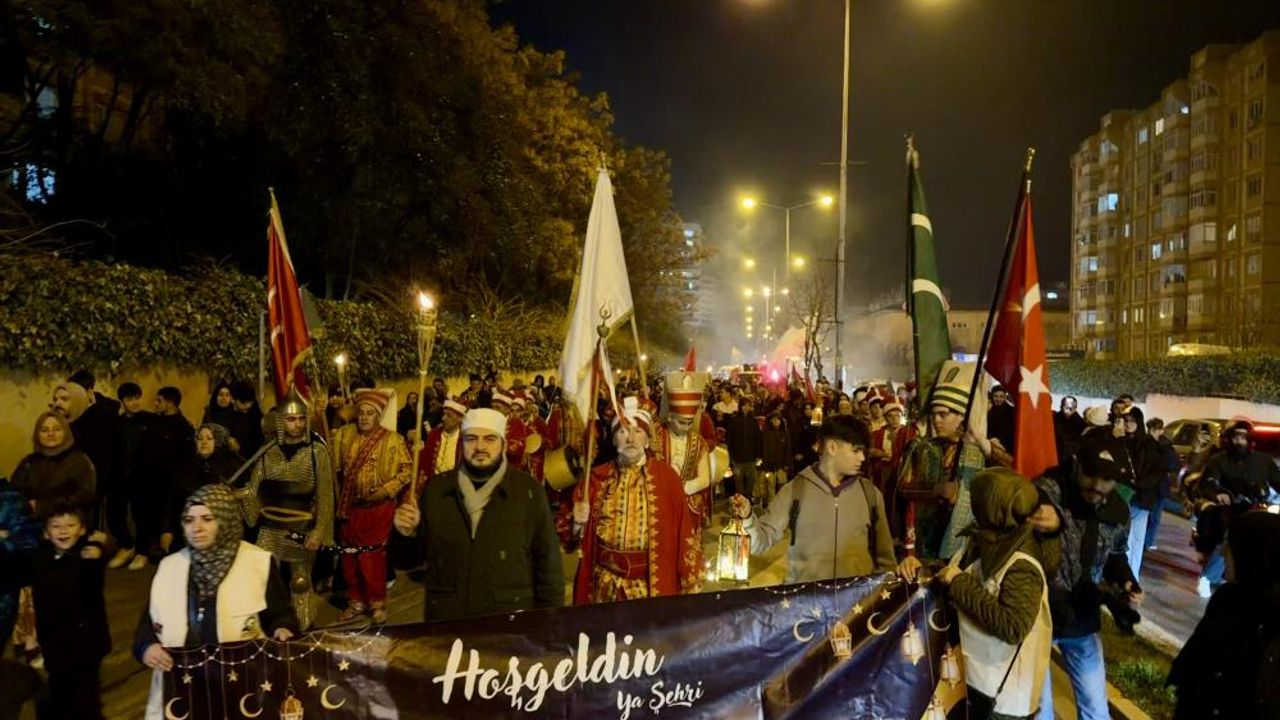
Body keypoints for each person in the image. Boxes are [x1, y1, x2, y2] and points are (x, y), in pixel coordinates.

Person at [135, 484, 297, 720]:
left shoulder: (256, 562)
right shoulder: (170, 567)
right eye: (189, 520)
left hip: (243, 683)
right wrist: (146, 647)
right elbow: (148, 623)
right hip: (182, 686)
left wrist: (283, 628)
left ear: (225, 520)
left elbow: (280, 614)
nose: (196, 528)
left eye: (207, 519)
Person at [392, 408, 563, 621]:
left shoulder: (527, 492)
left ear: (503, 444)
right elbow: (408, 561)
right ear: (461, 443)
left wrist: (548, 623)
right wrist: (406, 534)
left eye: (490, 439)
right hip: (447, 619)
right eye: (471, 439)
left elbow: (548, 566)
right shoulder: (438, 490)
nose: (480, 447)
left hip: (508, 621)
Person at [1031, 436, 1141, 720]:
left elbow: (1116, 555)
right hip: (1038, 616)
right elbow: (1025, 507)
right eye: (1091, 474)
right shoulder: (1048, 490)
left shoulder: (1118, 510)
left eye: (1107, 479)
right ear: (1077, 464)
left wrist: (1126, 581)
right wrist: (1048, 518)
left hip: (1082, 617)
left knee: (1096, 710)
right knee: (1039, 712)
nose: (1097, 485)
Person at [937, 468, 1053, 720]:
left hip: (1002, 702)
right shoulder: (990, 541)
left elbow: (1013, 627)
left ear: (991, 507)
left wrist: (959, 583)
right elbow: (956, 569)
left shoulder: (1022, 565)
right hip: (975, 680)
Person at [563, 400, 702, 603]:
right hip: (602, 587)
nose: (630, 438)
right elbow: (569, 539)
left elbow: (685, 533)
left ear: (647, 440)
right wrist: (577, 523)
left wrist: (691, 581)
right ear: (613, 440)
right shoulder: (595, 479)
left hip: (648, 589)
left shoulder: (667, 479)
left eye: (638, 431)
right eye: (622, 431)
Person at [730, 414, 896, 583]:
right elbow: (760, 542)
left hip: (856, 597)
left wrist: (883, 591)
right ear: (832, 448)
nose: (862, 457)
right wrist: (747, 518)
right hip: (806, 597)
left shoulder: (870, 494)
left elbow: (886, 560)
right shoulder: (795, 491)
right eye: (856, 451)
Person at [1168, 510, 1280, 719]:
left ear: (1253, 554)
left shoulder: (1272, 623)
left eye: (1230, 545)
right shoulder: (1226, 599)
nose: (1222, 554)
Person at [1, 506, 110, 719]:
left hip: (85, 645)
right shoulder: (41, 558)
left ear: (81, 530)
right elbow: (14, 571)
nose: (63, 530)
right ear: (46, 532)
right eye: (56, 526)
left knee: (85, 699)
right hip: (54, 641)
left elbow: (95, 577)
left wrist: (99, 548)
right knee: (59, 692)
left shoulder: (87, 556)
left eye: (70, 525)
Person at [239, 386, 334, 629]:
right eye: (291, 419)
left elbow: (325, 496)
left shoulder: (316, 452)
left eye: (301, 418)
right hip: (269, 527)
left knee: (300, 582)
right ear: (281, 421)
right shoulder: (268, 451)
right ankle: (271, 627)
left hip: (300, 527)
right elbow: (254, 489)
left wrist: (319, 532)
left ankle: (303, 630)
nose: (297, 424)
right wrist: (239, 496)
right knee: (263, 579)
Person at [898, 362, 1008, 561]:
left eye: (943, 414)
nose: (936, 420)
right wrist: (936, 490)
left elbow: (1014, 477)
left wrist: (983, 443)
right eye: (934, 414)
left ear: (963, 416)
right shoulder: (921, 448)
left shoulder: (984, 449)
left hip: (971, 549)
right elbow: (904, 490)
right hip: (928, 543)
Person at [331, 389, 411, 623]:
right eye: (361, 413)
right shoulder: (345, 435)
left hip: (379, 508)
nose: (364, 417)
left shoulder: (393, 440)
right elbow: (334, 467)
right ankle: (356, 601)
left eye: (370, 413)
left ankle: (377, 602)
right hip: (350, 507)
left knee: (371, 557)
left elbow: (407, 470)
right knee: (349, 556)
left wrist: (387, 490)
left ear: (378, 416)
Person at [1190, 419, 1280, 596]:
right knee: (1230, 538)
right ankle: (1207, 577)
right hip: (1229, 509)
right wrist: (1217, 494)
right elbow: (1207, 483)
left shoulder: (1263, 461)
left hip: (1257, 508)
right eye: (1236, 437)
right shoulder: (1219, 459)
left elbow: (1277, 481)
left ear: (1250, 439)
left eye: (1243, 437)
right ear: (1229, 438)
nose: (1239, 441)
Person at [136, 386, 195, 567]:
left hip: (171, 481)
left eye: (159, 400)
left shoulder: (182, 426)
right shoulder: (154, 421)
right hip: (150, 478)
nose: (155, 404)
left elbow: (186, 456)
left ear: (170, 403)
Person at [652, 370, 716, 523]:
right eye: (681, 422)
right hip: (660, 502)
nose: (686, 427)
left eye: (689, 423)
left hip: (688, 505)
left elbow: (705, 478)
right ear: (670, 417)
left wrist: (683, 488)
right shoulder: (655, 438)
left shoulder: (699, 443)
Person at [12, 411, 97, 520]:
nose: (51, 434)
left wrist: (42, 506)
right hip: (31, 524)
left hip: (68, 524)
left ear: (66, 432)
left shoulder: (79, 461)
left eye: (57, 429)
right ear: (37, 434)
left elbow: (84, 496)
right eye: (44, 430)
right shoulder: (29, 462)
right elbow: (14, 493)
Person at [108, 383, 151, 569]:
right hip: (119, 476)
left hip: (142, 476)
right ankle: (126, 545)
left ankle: (142, 551)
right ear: (122, 401)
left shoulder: (149, 421)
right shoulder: (116, 423)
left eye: (137, 398)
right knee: (114, 513)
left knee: (142, 515)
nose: (134, 402)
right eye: (129, 399)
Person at [1118, 405, 1163, 581]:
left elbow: (1155, 472)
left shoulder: (1148, 444)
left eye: (1132, 421)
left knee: (1136, 540)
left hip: (1140, 498)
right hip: (1123, 496)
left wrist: (1138, 484)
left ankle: (1132, 577)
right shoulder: (1121, 441)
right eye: (1126, 421)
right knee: (1124, 539)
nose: (1128, 424)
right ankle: (1124, 577)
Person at [1144, 417, 1178, 552]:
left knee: (1155, 516)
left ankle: (1149, 541)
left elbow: (1172, 464)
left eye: (1155, 429)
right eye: (1151, 429)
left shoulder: (1166, 446)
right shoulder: (1146, 443)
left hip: (1159, 485)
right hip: (1149, 484)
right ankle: (1146, 540)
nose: (1152, 432)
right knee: (1147, 515)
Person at [418, 399, 466, 487]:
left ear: (460, 419)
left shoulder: (464, 438)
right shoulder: (434, 434)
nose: (444, 418)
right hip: (432, 483)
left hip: (454, 486)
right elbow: (425, 461)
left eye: (449, 415)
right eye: (443, 414)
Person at [725, 397, 762, 504]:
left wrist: (758, 455)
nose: (746, 407)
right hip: (738, 458)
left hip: (751, 458)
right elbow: (730, 439)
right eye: (744, 405)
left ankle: (748, 500)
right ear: (740, 406)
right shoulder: (734, 420)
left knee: (751, 482)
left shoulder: (753, 421)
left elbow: (758, 439)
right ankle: (741, 503)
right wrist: (732, 456)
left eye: (748, 405)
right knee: (739, 484)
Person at [758, 411, 793, 508]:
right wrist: (763, 464)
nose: (776, 422)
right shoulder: (766, 433)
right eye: (774, 420)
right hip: (769, 465)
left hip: (781, 464)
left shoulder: (785, 433)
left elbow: (788, 450)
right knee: (770, 485)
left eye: (778, 420)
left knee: (782, 484)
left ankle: (782, 504)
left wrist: (787, 464)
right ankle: (771, 505)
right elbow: (763, 449)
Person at [226, 381, 265, 458]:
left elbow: (259, 445)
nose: (248, 405)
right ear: (233, 399)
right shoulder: (225, 415)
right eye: (243, 402)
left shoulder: (256, 417)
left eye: (250, 402)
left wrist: (239, 449)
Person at [1053, 396, 1086, 461]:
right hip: (1056, 455)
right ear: (1061, 406)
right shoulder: (1053, 420)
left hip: (1071, 457)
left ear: (1075, 408)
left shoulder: (1080, 423)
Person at [986, 384, 1016, 456]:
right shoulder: (989, 410)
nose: (998, 399)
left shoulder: (1011, 411)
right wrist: (991, 439)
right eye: (996, 396)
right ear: (992, 397)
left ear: (1005, 397)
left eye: (1001, 396)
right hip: (989, 445)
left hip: (1006, 448)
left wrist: (999, 440)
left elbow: (1011, 430)